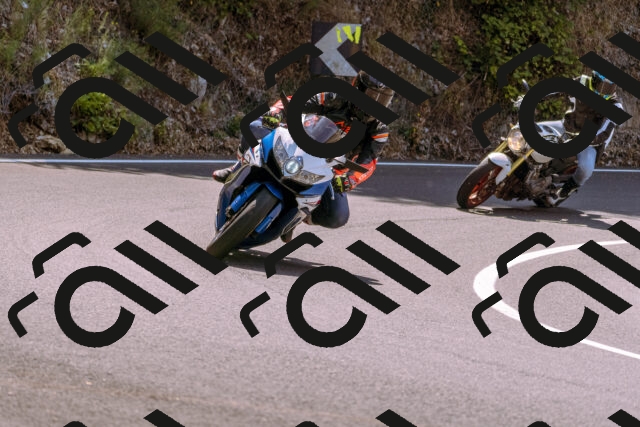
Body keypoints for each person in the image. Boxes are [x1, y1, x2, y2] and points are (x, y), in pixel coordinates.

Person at [211, 71, 395, 241]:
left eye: (382, 100)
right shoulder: (335, 96)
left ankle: (297, 218)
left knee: (338, 216)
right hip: (298, 143)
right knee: (255, 126)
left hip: (328, 171)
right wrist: (276, 112)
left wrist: (350, 180)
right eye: (371, 96)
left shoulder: (378, 130)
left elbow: (368, 162)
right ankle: (238, 167)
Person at [548, 70, 624, 206]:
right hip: (567, 127)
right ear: (594, 80)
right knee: (538, 129)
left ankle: (567, 190)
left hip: (590, 142)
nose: (605, 91)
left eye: (610, 88)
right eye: (603, 86)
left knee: (585, 169)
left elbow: (604, 133)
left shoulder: (616, 106)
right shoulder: (582, 82)